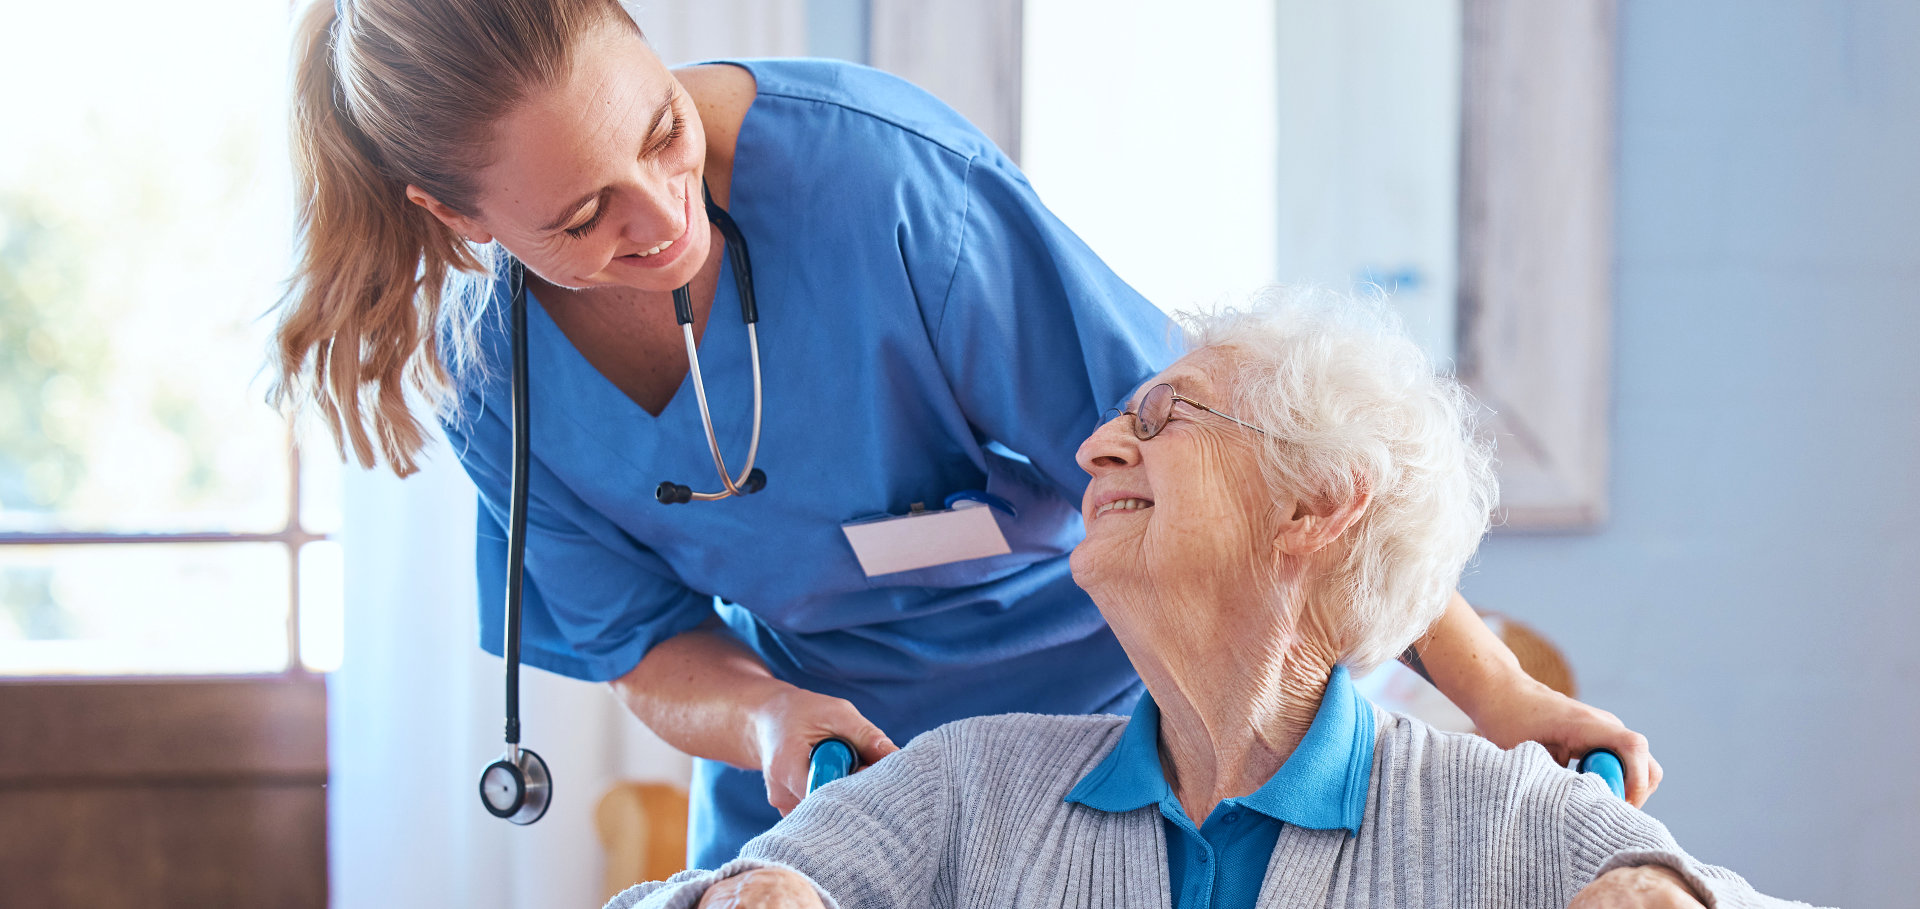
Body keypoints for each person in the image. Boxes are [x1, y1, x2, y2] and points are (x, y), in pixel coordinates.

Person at [273, 0, 1658, 868]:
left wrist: (1494, 693)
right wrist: (765, 718)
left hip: (1125, 721)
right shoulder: (494, 379)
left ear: (645, 41)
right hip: (840, 774)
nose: (660, 218)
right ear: (460, 223)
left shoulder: (883, 189)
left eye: (662, 132)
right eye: (584, 218)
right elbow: (645, 647)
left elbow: (1249, 460)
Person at [610, 288, 1811, 909]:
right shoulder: (972, 783)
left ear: (1314, 504)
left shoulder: (1496, 817)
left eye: (1160, 419)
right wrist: (748, 889)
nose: (1090, 448)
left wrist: (1660, 889)